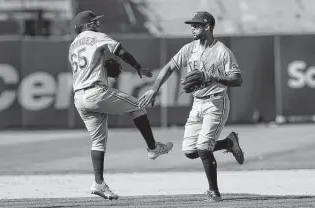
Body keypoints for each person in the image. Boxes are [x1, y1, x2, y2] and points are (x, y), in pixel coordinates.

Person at [139, 11, 244, 202]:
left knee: (204, 148)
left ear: (208, 27)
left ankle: (214, 192)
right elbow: (169, 67)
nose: (192, 28)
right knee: (190, 152)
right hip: (197, 103)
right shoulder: (190, 48)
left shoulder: (222, 51)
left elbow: (237, 79)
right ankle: (229, 143)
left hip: (216, 102)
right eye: (192, 25)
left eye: (196, 25)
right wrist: (154, 90)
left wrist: (212, 77)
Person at [68, 10, 173, 200]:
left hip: (79, 97)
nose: (97, 24)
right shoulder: (97, 36)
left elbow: (86, 68)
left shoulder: (73, 45)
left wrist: (102, 68)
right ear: (86, 26)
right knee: (138, 106)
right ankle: (152, 148)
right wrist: (138, 67)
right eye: (93, 22)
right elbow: (120, 51)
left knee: (98, 141)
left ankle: (98, 183)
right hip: (95, 92)